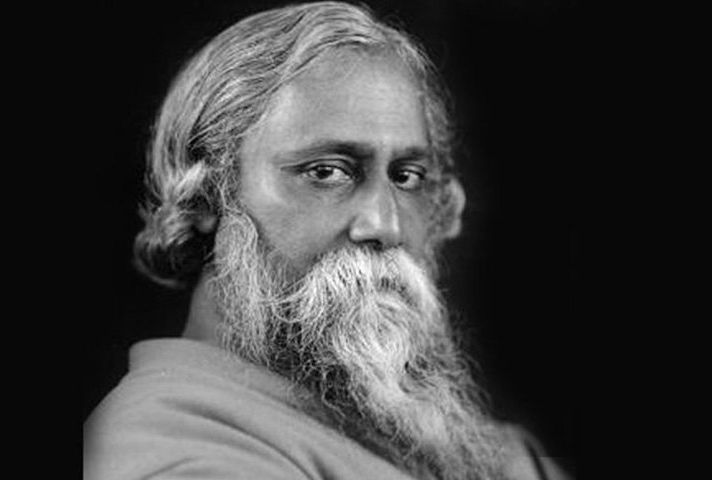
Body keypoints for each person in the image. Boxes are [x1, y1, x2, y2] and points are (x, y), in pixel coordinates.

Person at [84, 2, 572, 479]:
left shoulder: (463, 443)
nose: (385, 225)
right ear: (207, 194)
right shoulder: (176, 448)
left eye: (407, 176)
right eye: (326, 172)